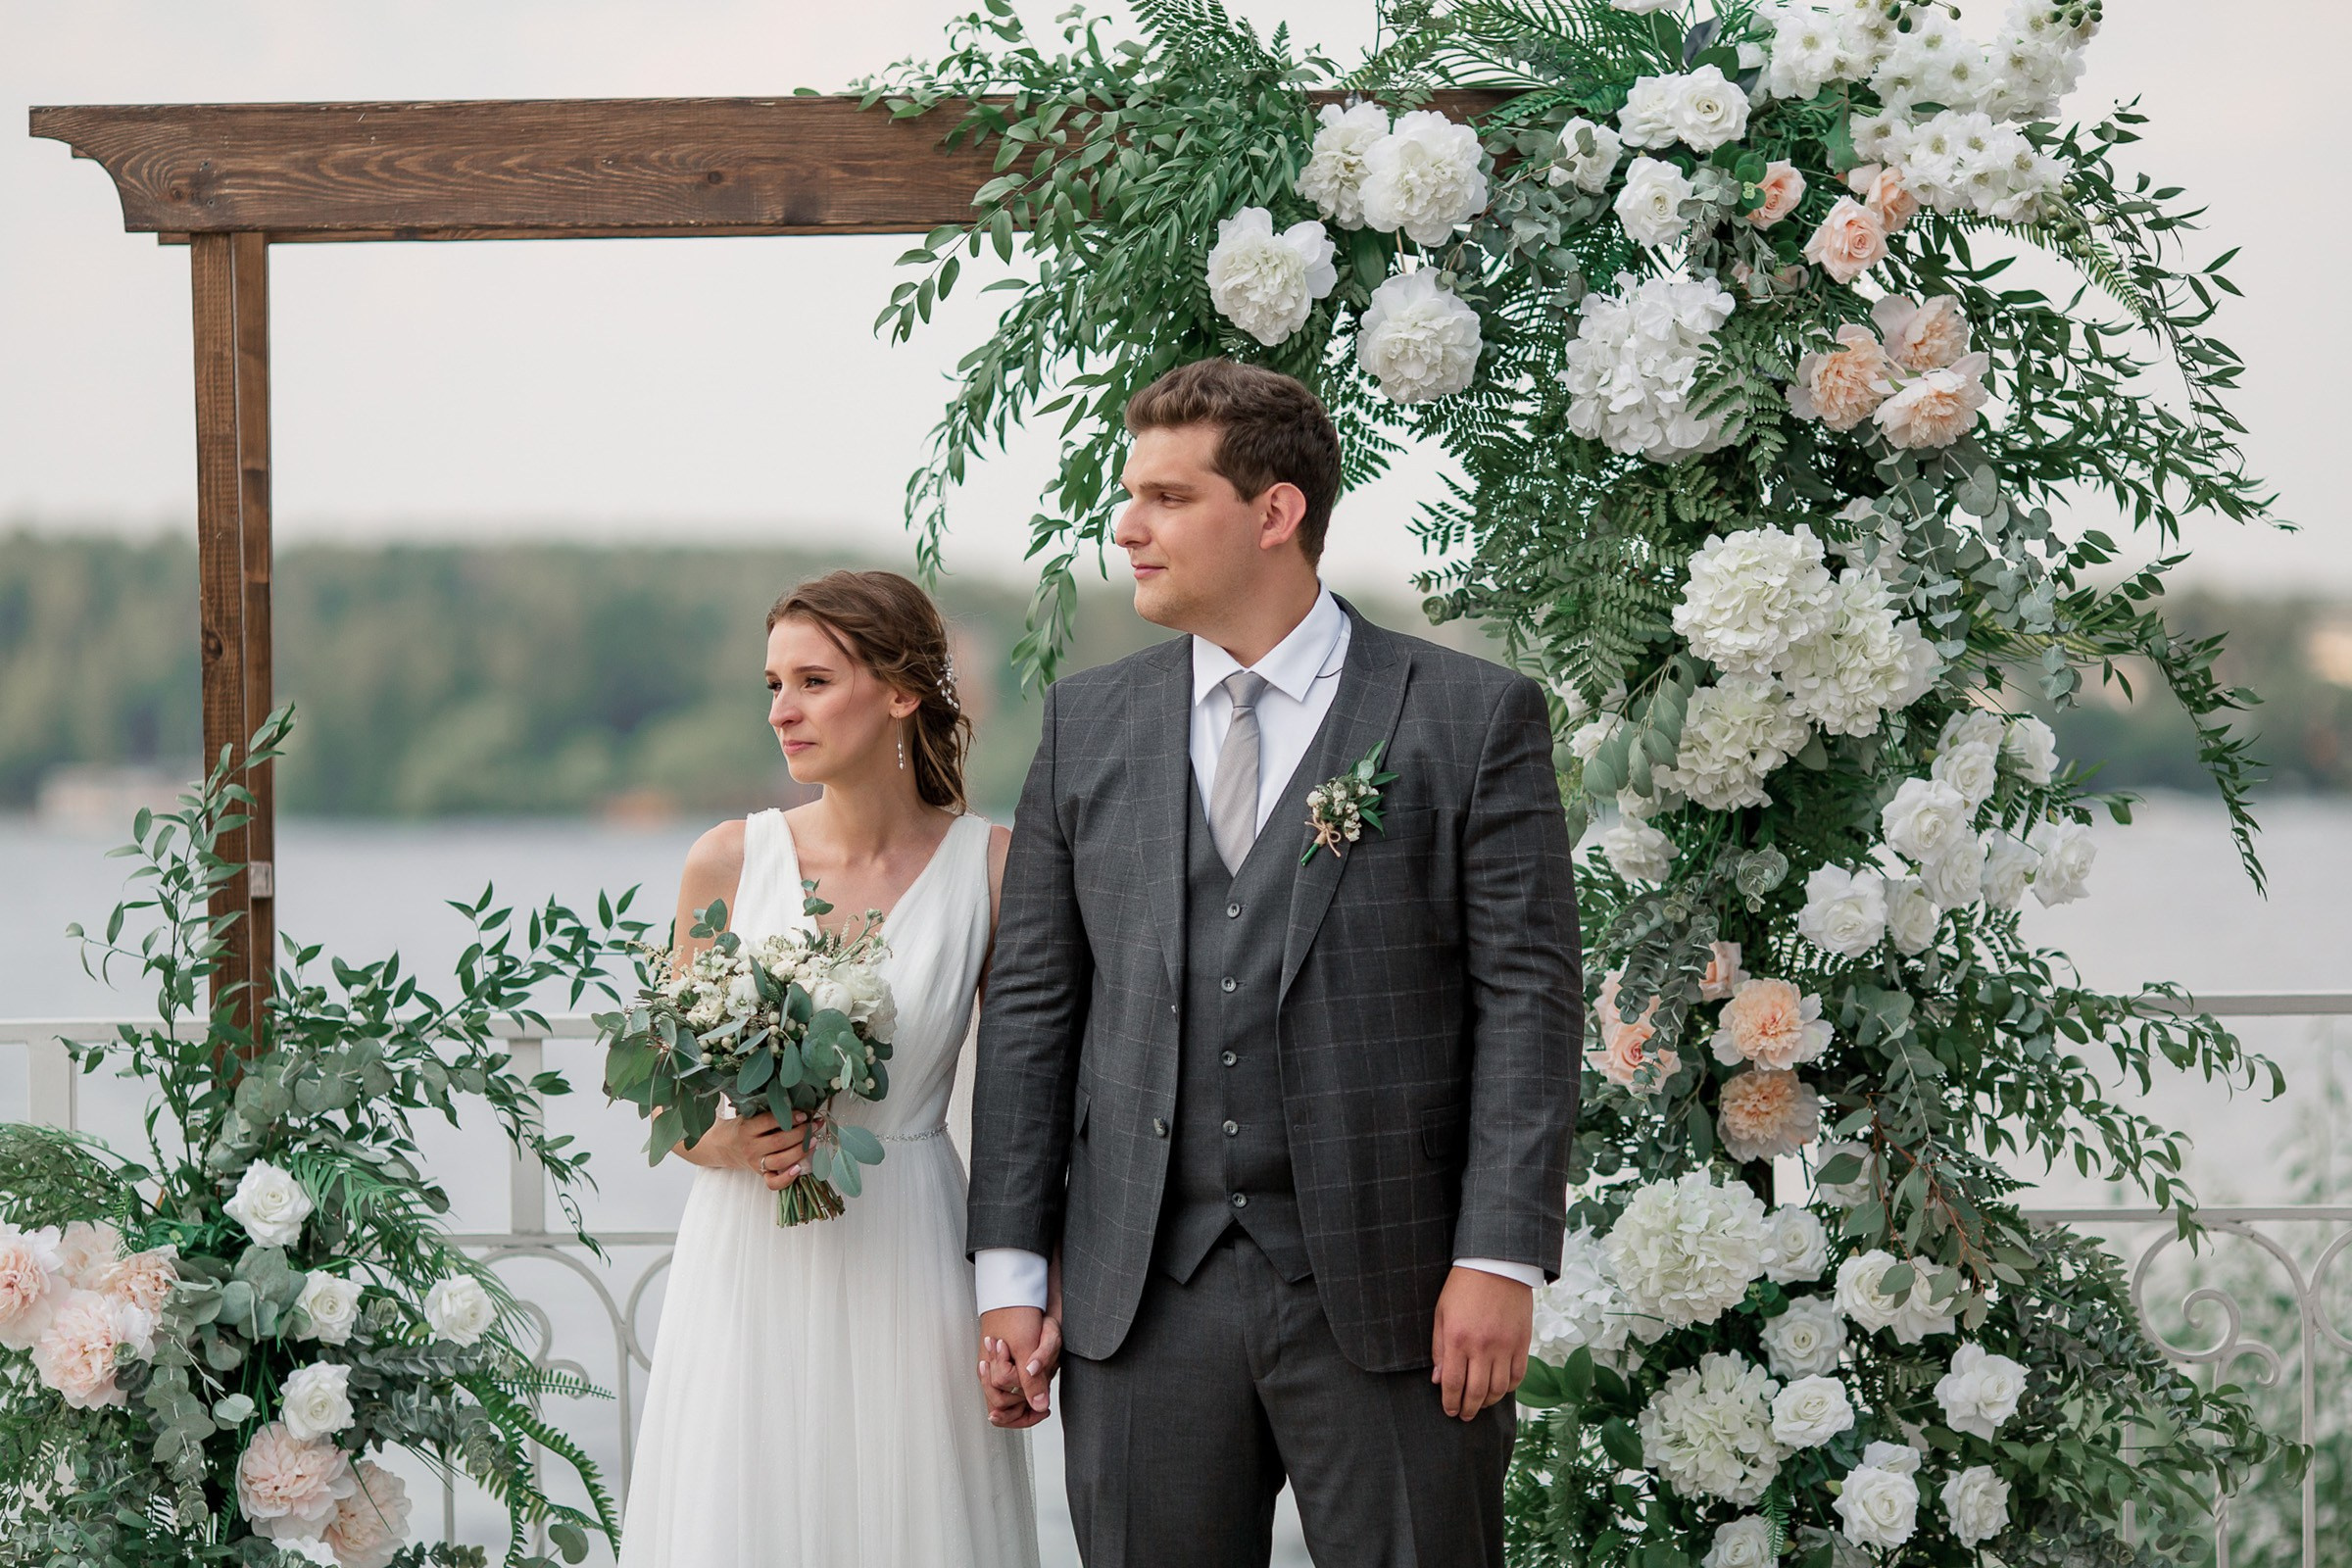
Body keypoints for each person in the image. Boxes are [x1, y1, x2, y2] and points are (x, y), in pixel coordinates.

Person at [968, 359, 1584, 1567]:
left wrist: (1498, 1258)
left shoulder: (1468, 715)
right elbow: (1035, 1010)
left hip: (1403, 1289)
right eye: (1130, 497)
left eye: (1166, 497)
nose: (1127, 528)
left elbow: (1528, 999)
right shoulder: (1088, 723)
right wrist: (1012, 1268)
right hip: (1142, 1295)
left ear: (1275, 511)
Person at [620, 570, 1038, 1568]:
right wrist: (734, 1140)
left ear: (900, 691)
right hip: (750, 1257)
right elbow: (666, 1098)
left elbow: (1030, 1100)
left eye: (812, 682)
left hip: (911, 1245)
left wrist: (1024, 1292)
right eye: (773, 685)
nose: (782, 711)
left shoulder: (992, 868)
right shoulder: (728, 861)